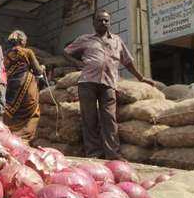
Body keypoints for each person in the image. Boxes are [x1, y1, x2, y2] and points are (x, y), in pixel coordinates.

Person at [64, 9, 154, 160]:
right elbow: (66, 52)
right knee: (89, 119)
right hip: (87, 83)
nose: (104, 23)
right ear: (93, 23)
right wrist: (78, 64)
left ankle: (113, 154)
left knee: (109, 119)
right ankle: (94, 154)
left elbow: (128, 61)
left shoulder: (117, 40)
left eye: (106, 20)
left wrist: (141, 77)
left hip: (109, 83)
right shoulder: (85, 39)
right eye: (100, 20)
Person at [3, 30, 46, 142]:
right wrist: (43, 68)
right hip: (27, 87)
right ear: (22, 41)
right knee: (32, 113)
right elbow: (37, 70)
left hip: (11, 87)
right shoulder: (27, 52)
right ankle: (24, 139)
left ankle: (10, 137)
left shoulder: (7, 54)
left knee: (14, 113)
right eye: (25, 40)